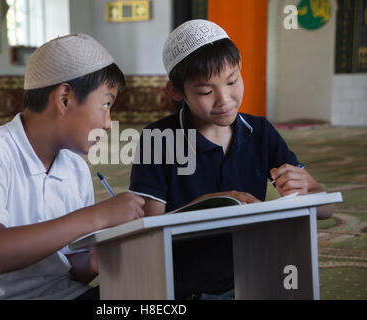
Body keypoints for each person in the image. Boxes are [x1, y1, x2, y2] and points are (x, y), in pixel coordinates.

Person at [129, 19, 335, 299]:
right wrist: (211, 204)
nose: (224, 100)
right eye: (205, 91)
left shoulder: (260, 132)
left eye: (232, 81)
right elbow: (148, 234)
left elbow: (326, 209)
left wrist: (307, 187)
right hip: (184, 286)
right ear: (176, 91)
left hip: (254, 276)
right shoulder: (158, 139)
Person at [0, 34, 145, 299]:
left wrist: (93, 262)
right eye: (105, 104)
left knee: (156, 291)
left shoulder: (75, 169)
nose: (108, 122)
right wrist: (98, 216)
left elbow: (64, 270)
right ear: (64, 98)